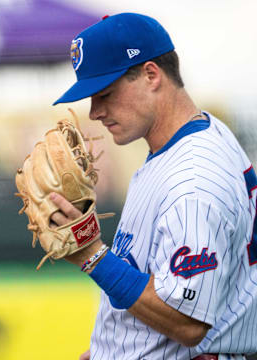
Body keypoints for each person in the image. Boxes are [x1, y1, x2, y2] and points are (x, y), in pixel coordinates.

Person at [51, 12, 257, 360]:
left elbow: (188, 322)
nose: (94, 112)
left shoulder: (193, 178)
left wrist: (91, 256)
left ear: (151, 75)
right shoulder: (188, 139)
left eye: (105, 94)